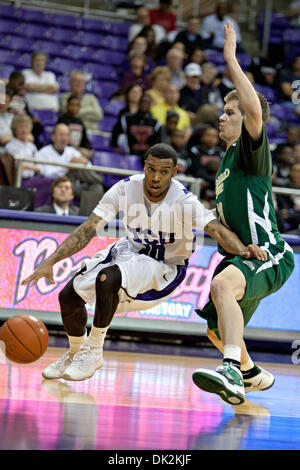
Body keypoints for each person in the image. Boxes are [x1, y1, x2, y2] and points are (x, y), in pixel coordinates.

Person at [22, 142, 267, 382]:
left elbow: (217, 231)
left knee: (108, 277)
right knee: (68, 296)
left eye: (163, 171)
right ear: (144, 167)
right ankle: (76, 353)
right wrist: (51, 261)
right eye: (151, 169)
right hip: (130, 250)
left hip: (165, 266)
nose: (156, 177)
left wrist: (244, 251)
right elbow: (88, 228)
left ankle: (94, 351)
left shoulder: (184, 199)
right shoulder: (125, 188)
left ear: (174, 172)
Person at [192, 22, 294, 405]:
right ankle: (252, 374)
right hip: (244, 254)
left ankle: (232, 371)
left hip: (272, 253)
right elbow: (223, 223)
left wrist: (230, 59)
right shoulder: (224, 164)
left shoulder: (252, 152)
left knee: (222, 289)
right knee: (217, 330)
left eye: (229, 112)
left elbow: (254, 108)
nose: (222, 117)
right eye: (222, 111)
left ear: (249, 120)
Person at [110, 93, 161, 159]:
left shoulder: (155, 123)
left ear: (150, 105)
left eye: (147, 103)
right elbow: (115, 132)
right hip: (129, 156)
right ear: (138, 103)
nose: (145, 105)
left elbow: (157, 143)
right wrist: (115, 146)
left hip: (147, 159)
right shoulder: (127, 119)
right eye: (143, 102)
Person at [57, 94, 93, 160]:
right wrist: (78, 149)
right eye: (72, 105)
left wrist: (88, 149)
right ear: (67, 106)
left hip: (77, 151)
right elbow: (60, 140)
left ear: (79, 107)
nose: (74, 107)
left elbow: (85, 140)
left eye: (76, 105)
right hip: (65, 151)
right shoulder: (62, 120)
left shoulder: (80, 122)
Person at [5, 114, 40, 179]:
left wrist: (26, 166)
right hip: (17, 180)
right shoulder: (9, 147)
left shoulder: (32, 146)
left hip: (32, 178)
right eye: (21, 127)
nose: (24, 130)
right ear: (14, 129)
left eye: (26, 127)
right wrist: (31, 167)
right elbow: (15, 168)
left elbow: (39, 167)